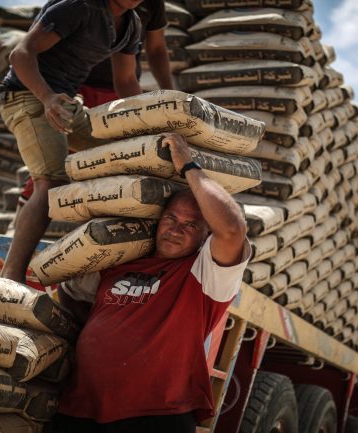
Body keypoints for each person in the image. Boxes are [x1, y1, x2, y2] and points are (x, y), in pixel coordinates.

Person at [51, 133, 251, 433]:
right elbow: (70, 295)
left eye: (191, 224)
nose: (175, 229)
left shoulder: (203, 276)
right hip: (81, 409)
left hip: (157, 415)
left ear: (204, 236)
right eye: (171, 218)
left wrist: (188, 165)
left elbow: (233, 230)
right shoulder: (119, 260)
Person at [0, 0, 144, 283]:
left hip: (66, 103)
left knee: (129, 157)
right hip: (27, 94)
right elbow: (20, 54)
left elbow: (126, 81)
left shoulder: (132, 24)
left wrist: (143, 125)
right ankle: (11, 277)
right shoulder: (79, 6)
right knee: (51, 183)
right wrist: (47, 97)